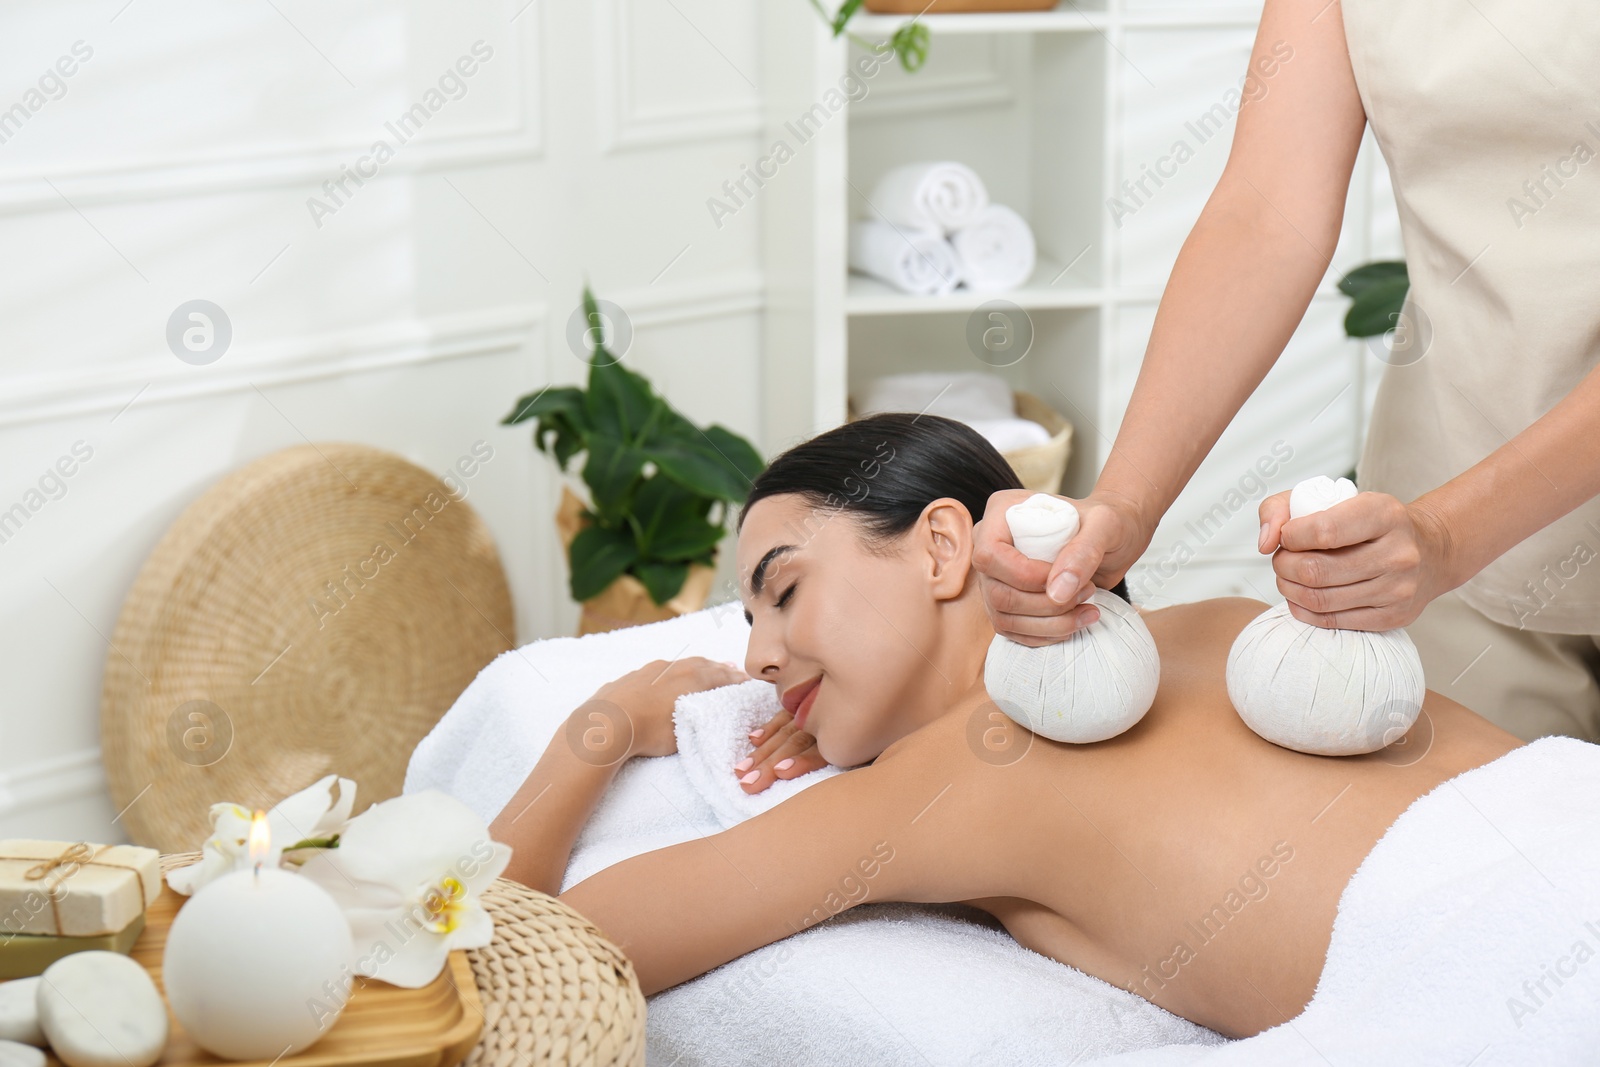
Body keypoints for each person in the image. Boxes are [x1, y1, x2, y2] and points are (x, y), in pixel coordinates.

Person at [488, 414, 1522, 1038]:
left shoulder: (950, 777)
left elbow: (523, 965)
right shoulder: (1223, 625)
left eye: (785, 591)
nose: (758, 656)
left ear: (943, 547)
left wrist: (598, 728)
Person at [969, 0, 1600, 744]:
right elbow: (1266, 216)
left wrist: (1449, 535)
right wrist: (1126, 500)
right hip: (1451, 472)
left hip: (1464, 521)